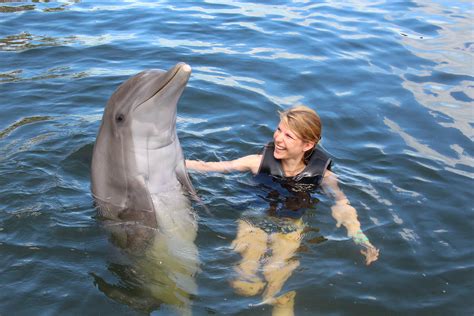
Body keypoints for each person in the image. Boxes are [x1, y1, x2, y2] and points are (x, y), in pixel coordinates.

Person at [186, 105, 379, 311]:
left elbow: (342, 206)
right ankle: (252, 277)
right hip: (254, 218)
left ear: (307, 145)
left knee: (278, 269)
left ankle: (280, 297)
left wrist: (360, 239)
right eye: (279, 130)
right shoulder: (256, 162)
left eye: (289, 136)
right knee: (246, 273)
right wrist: (170, 161)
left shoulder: (324, 176)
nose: (278, 138)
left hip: (291, 223)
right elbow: (210, 167)